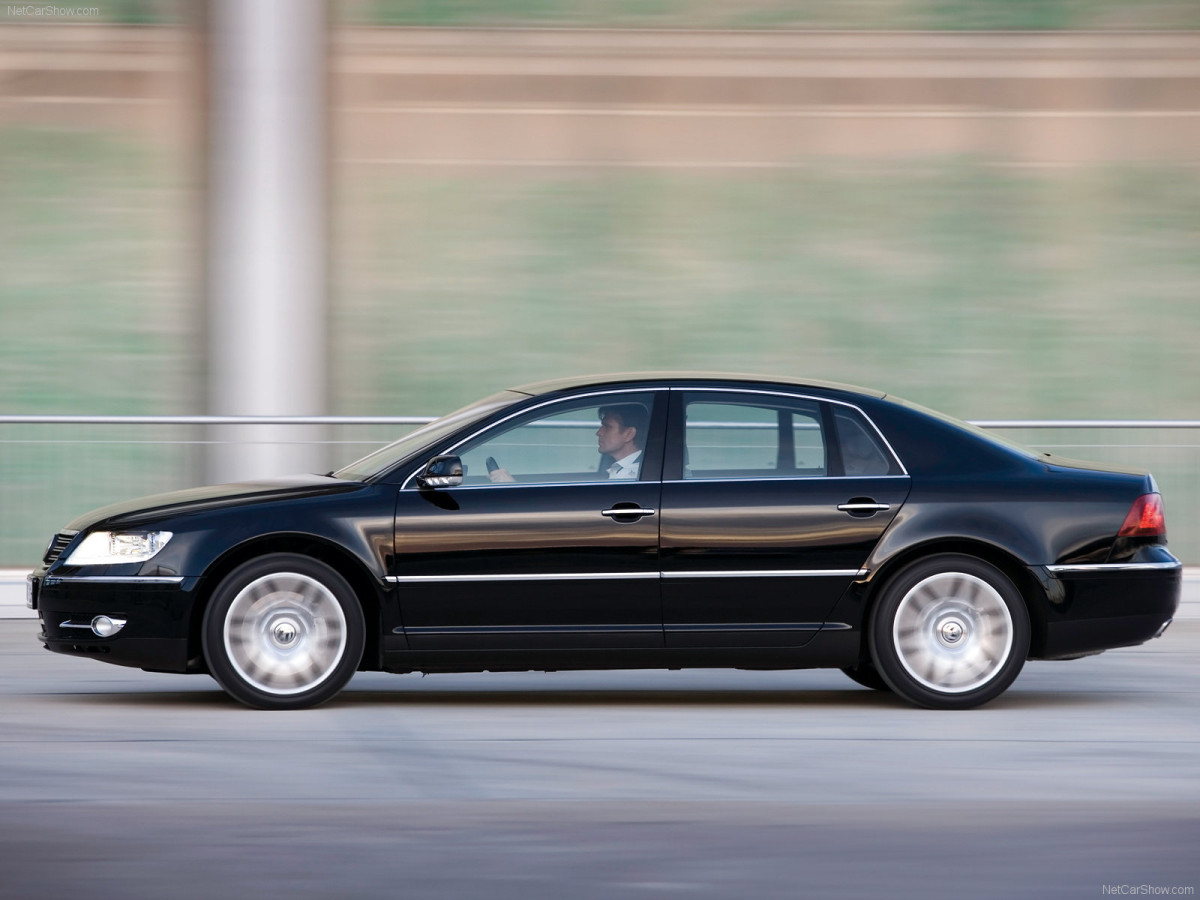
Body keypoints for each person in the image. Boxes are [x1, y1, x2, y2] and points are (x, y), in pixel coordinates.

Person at [488, 402, 649, 483]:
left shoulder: (631, 476)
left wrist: (514, 491)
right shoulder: (622, 470)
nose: (598, 432)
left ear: (629, 434)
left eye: (606, 427)